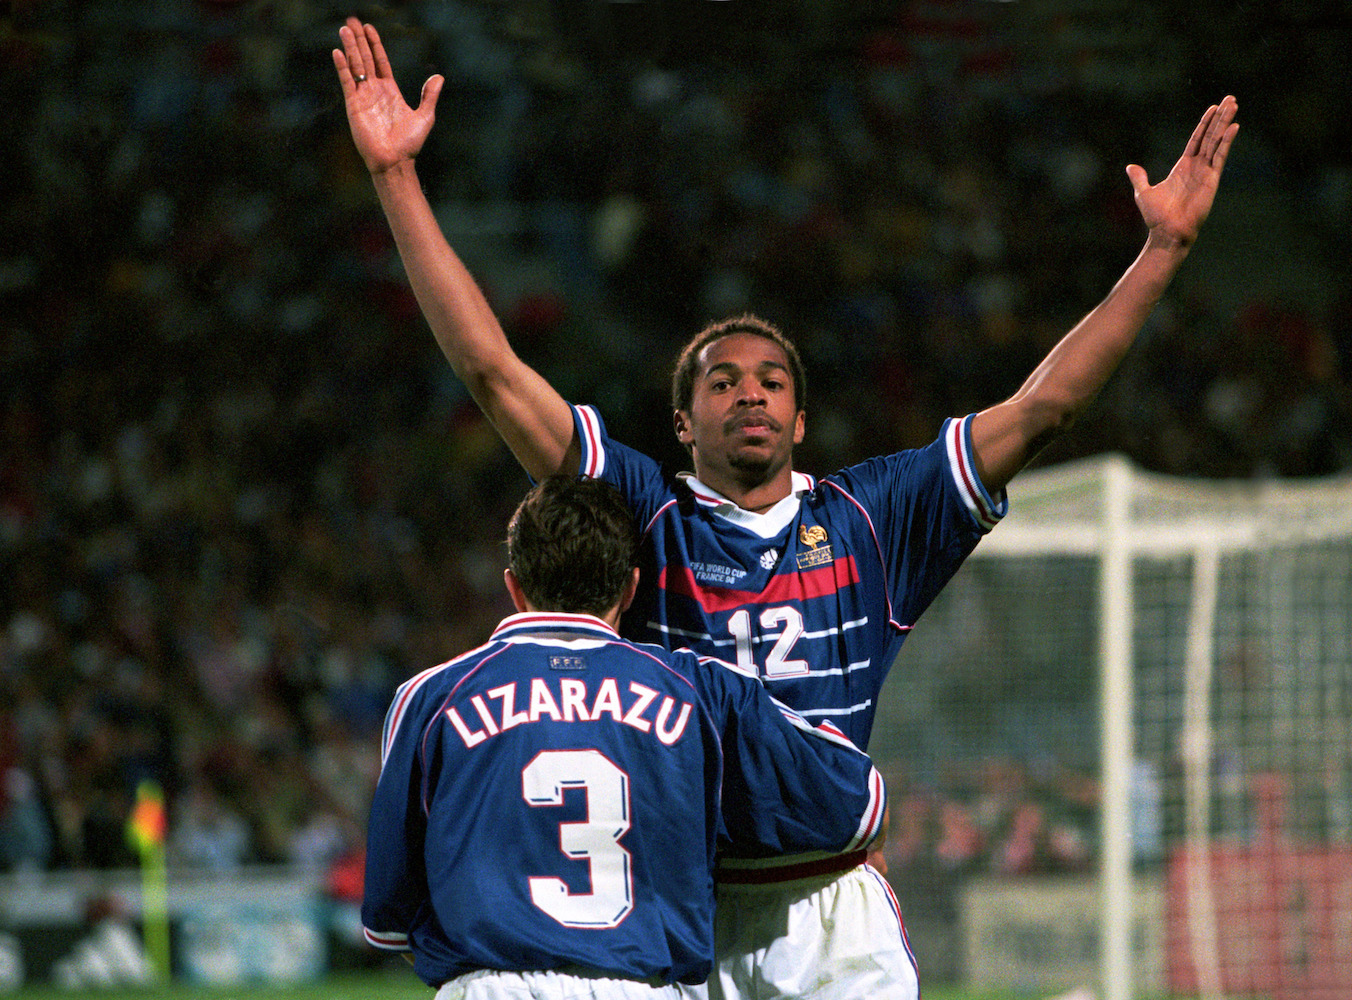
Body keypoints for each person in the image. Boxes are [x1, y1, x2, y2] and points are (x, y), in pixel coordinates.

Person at [334, 16, 1239, 998]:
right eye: (721, 382)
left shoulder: (875, 517)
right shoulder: (646, 514)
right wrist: (396, 178)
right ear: (682, 424)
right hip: (684, 909)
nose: (750, 392)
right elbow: (492, 372)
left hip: (830, 905)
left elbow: (1046, 408)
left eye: (771, 379)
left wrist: (1161, 256)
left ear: (802, 417)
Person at [360, 475, 887, 997]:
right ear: (632, 587)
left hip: (487, 987)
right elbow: (856, 804)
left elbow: (390, 920)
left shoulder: (431, 699)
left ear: (514, 586)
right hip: (642, 985)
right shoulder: (699, 690)